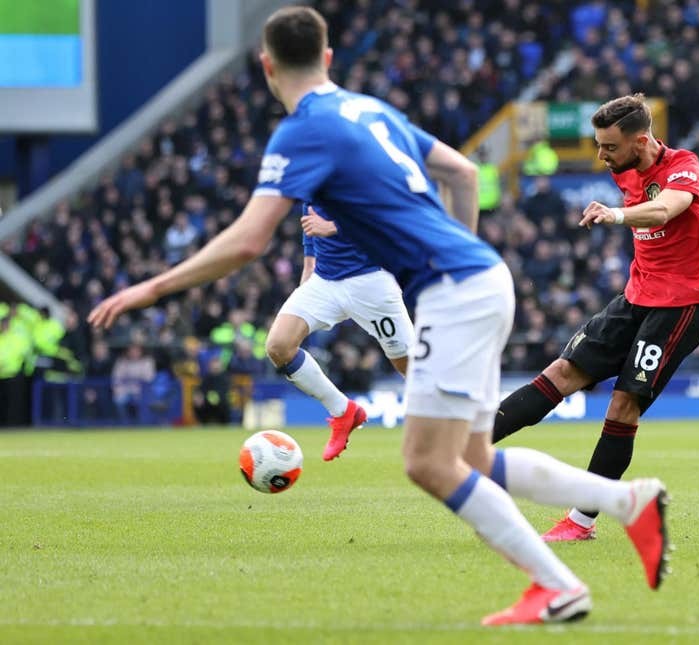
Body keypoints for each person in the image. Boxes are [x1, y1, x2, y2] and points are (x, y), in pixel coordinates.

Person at [88, 7, 669, 625]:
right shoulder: (370, 110)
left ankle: (559, 583)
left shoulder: (300, 130)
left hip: (460, 291)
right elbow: (464, 173)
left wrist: (154, 287)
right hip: (480, 278)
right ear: (329, 58)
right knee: (472, 459)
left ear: (266, 66)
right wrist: (456, 260)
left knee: (426, 461)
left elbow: (247, 242)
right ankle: (625, 503)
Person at [492, 93, 699, 542]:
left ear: (641, 141)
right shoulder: (626, 170)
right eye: (598, 145)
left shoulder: (683, 166)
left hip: (679, 306)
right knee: (560, 372)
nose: (601, 155)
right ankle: (465, 446)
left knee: (623, 404)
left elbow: (665, 209)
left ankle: (581, 522)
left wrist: (615, 215)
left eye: (609, 147)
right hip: (636, 296)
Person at [263, 202, 414, 461]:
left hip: (371, 281)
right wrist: (308, 269)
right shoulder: (310, 173)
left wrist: (333, 227)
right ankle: (342, 410)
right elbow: (310, 221)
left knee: (412, 368)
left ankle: (462, 424)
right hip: (324, 282)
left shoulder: (360, 168)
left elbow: (385, 216)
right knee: (278, 345)